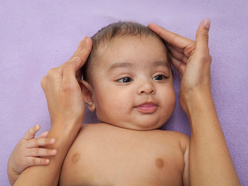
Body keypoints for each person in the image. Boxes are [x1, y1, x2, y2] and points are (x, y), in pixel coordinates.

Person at [9, 20, 240, 186]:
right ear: (88, 96)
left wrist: (199, 91)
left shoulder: (182, 146)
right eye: (125, 79)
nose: (147, 87)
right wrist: (16, 165)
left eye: (159, 76)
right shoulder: (72, 136)